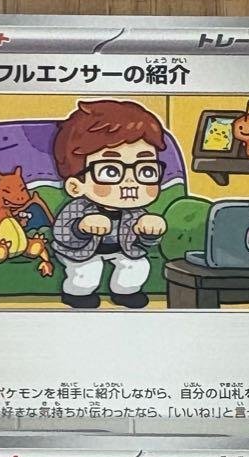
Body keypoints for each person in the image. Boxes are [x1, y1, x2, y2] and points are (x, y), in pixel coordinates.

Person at [51, 100, 168, 309]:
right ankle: (76, 294)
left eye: (146, 170)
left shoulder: (136, 212)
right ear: (76, 186)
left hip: (122, 250)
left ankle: (125, 292)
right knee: (89, 271)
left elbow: (144, 245)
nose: (130, 182)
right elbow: (62, 234)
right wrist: (81, 227)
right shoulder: (78, 208)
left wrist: (150, 232)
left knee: (137, 266)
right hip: (81, 252)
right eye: (111, 171)